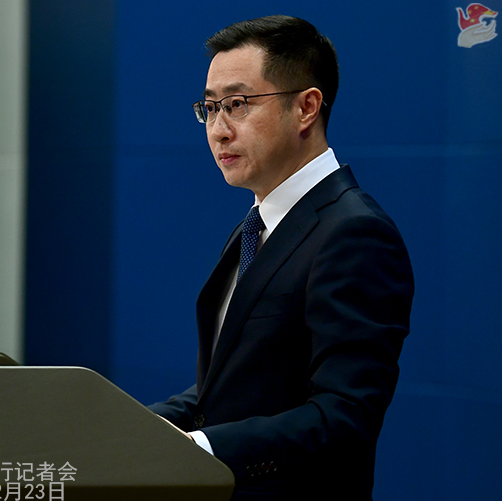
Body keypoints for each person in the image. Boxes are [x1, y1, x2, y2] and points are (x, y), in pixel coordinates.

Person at [148, 15, 414, 501]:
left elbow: (344, 415)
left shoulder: (355, 233)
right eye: (209, 108)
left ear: (306, 107)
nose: (218, 130)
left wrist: (202, 447)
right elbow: (231, 386)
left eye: (237, 105)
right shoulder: (258, 223)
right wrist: (131, 428)